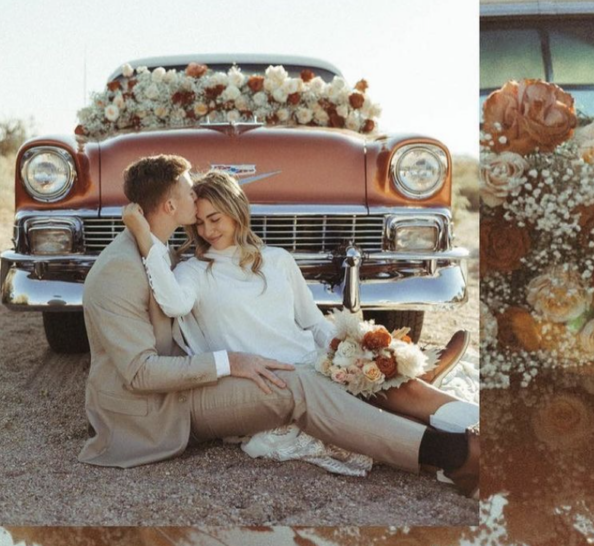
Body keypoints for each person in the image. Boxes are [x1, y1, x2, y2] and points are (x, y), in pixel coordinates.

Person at [78, 155, 478, 497]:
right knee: (309, 383)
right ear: (169, 205)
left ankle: (471, 427)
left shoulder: (164, 254)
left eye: (211, 213)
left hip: (208, 379)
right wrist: (230, 361)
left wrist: (347, 348)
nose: (195, 202)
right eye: (188, 195)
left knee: (361, 374)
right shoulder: (131, 268)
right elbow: (141, 372)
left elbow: (309, 320)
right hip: (156, 410)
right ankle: (452, 454)